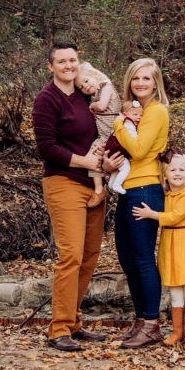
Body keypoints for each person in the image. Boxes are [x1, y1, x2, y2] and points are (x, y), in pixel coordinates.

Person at [32, 42, 108, 352]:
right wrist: (85, 162)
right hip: (64, 182)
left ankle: (74, 322)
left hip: (95, 184)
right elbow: (47, 148)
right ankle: (58, 328)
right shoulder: (46, 100)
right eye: (61, 61)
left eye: (73, 60)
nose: (68, 65)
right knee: (71, 256)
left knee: (89, 257)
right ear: (50, 66)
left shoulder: (84, 96)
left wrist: (105, 162)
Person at [106, 58, 169, 348]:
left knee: (143, 259)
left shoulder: (155, 112)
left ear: (155, 83)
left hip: (146, 189)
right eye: (135, 79)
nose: (140, 83)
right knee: (127, 258)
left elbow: (140, 150)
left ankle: (152, 324)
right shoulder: (138, 112)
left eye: (146, 79)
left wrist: (118, 125)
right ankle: (140, 321)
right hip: (128, 190)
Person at [132, 152, 185, 350]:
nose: (177, 173)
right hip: (171, 244)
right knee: (174, 291)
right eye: (172, 170)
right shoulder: (166, 195)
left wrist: (151, 214)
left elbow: (175, 216)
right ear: (165, 175)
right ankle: (177, 331)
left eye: (181, 170)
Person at [75, 62, 121, 208]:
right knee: (101, 157)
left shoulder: (106, 87)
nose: (85, 87)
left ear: (95, 75)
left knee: (92, 153)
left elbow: (101, 106)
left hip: (111, 133)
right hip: (107, 133)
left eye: (86, 81)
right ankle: (109, 185)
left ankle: (99, 189)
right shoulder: (96, 92)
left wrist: (92, 106)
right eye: (81, 87)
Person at [106, 100, 143, 195]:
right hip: (117, 151)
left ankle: (111, 184)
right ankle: (117, 185)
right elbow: (133, 139)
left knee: (119, 168)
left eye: (141, 115)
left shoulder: (122, 123)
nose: (138, 117)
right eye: (135, 114)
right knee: (126, 168)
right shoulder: (128, 124)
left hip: (112, 151)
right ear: (125, 114)